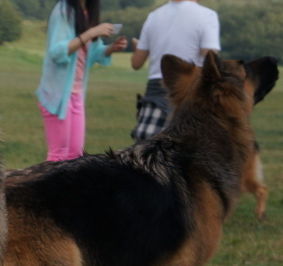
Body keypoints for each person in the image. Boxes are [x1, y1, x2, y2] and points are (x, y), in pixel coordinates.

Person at [36, 0, 128, 162]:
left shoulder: (87, 13)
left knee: (76, 157)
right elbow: (57, 52)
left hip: (76, 96)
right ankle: (52, 188)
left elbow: (89, 54)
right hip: (57, 96)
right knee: (59, 155)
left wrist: (110, 48)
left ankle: (69, 188)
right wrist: (91, 32)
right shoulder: (64, 10)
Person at [130, 0, 220, 141]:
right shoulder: (207, 16)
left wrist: (138, 47)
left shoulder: (153, 16)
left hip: (154, 97)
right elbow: (210, 59)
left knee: (145, 154)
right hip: (188, 94)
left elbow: (136, 63)